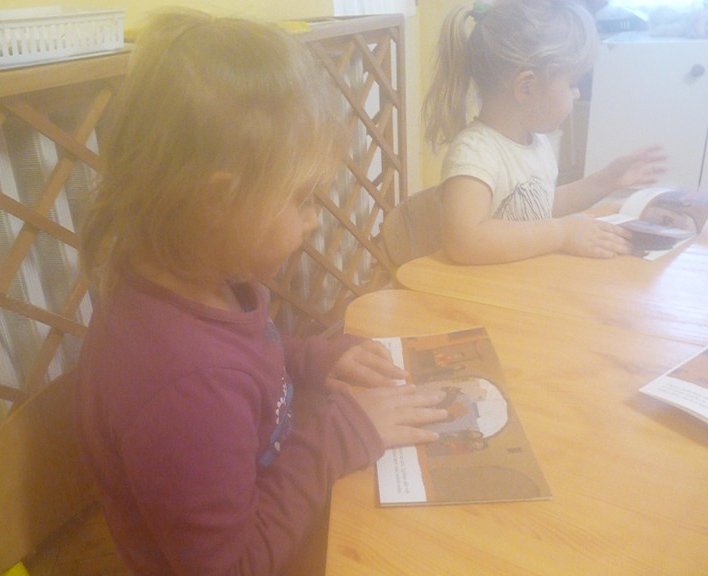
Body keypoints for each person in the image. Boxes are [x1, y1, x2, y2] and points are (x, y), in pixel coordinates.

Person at [76, 9, 448, 576]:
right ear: (219, 201)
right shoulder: (185, 388)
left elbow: (252, 359)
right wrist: (343, 435)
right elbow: (232, 566)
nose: (315, 221)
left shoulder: (201, 275)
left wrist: (315, 359)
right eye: (302, 199)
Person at [423, 0, 667, 264]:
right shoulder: (476, 153)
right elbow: (465, 242)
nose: (577, 93)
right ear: (526, 88)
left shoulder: (535, 142)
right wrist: (561, 233)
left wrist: (607, 179)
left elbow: (541, 207)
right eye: (572, 83)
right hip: (483, 288)